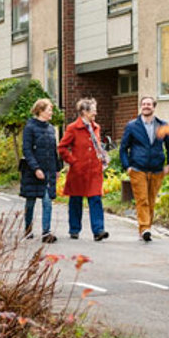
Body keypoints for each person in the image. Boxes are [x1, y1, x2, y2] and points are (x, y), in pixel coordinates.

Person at [119, 96, 169, 242]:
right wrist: (127, 166)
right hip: (138, 168)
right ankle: (145, 228)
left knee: (151, 200)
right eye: (143, 104)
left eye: (149, 104)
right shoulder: (132, 126)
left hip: (157, 168)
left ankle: (146, 228)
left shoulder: (163, 125)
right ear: (140, 106)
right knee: (142, 199)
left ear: (154, 107)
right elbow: (123, 148)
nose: (146, 106)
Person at [58, 97, 109, 241]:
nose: (96, 113)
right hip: (78, 171)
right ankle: (74, 229)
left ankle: (98, 230)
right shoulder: (73, 128)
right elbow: (61, 148)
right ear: (84, 112)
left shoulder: (96, 127)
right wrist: (73, 162)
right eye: (93, 110)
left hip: (94, 170)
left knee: (96, 199)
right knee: (76, 200)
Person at [20, 98, 60, 243]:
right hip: (32, 171)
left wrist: (57, 168)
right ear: (41, 111)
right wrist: (35, 168)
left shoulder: (50, 129)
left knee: (47, 201)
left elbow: (53, 150)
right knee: (30, 201)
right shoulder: (30, 127)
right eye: (49, 110)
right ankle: (28, 228)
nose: (51, 113)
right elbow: (27, 150)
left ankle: (46, 233)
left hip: (48, 171)